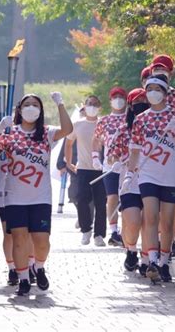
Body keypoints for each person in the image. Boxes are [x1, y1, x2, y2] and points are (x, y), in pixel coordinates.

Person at [0, 92, 72, 295]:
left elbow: (68, 129)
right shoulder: (9, 133)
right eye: (27, 104)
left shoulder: (46, 133)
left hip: (40, 197)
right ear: (19, 109)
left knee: (42, 241)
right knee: (19, 239)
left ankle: (39, 267)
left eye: (35, 104)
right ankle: (23, 278)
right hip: (14, 197)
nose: (31, 108)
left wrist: (60, 104)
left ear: (40, 111)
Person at [123, 75, 175, 283]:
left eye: (156, 89)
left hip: (170, 176)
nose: (152, 92)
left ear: (164, 92)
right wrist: (129, 175)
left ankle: (165, 262)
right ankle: (152, 261)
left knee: (167, 223)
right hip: (148, 175)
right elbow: (134, 151)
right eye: (149, 88)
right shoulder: (141, 119)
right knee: (150, 217)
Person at [108, 88, 151, 274]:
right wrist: (116, 163)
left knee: (150, 222)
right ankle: (131, 249)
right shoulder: (123, 130)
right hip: (129, 183)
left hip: (152, 181)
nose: (140, 105)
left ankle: (148, 258)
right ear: (131, 106)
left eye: (144, 101)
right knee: (132, 221)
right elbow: (112, 155)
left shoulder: (157, 128)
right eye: (137, 102)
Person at [151, 54, 175, 257]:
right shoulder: (147, 95)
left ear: (171, 73)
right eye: (156, 69)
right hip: (150, 158)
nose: (160, 72)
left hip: (173, 157)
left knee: (172, 205)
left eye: (163, 69)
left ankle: (172, 239)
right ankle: (153, 242)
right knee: (150, 206)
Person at [66, 96, 107, 246]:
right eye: (90, 104)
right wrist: (69, 162)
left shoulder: (103, 124)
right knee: (82, 199)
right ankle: (86, 230)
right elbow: (69, 143)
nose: (92, 107)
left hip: (101, 169)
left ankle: (99, 234)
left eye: (95, 104)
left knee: (101, 203)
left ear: (100, 107)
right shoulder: (77, 124)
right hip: (82, 168)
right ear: (84, 106)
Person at [92, 87, 127, 246]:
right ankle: (113, 231)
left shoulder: (131, 119)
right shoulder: (104, 120)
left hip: (128, 165)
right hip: (109, 166)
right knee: (112, 197)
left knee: (127, 199)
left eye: (121, 97)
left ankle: (127, 232)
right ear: (110, 100)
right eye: (115, 97)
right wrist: (95, 157)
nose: (118, 99)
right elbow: (96, 140)